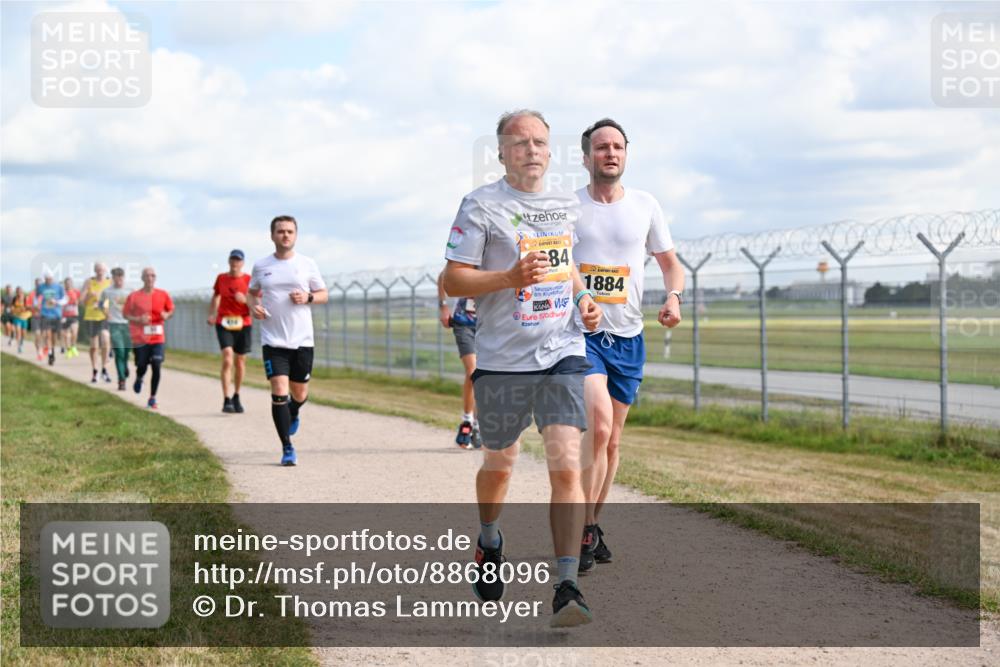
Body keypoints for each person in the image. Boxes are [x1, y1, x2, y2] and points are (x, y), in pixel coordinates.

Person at [442, 109, 603, 628]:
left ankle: (566, 584)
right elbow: (454, 280)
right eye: (521, 142)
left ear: (550, 151)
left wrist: (583, 299)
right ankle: (489, 539)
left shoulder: (564, 205)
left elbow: (569, 265)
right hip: (502, 360)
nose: (532, 149)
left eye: (540, 142)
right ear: (502, 152)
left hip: (561, 351)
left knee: (564, 464)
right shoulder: (481, 205)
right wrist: (508, 276)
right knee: (500, 466)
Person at [573, 118, 684, 573]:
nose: (610, 153)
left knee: (613, 441)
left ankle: (592, 525)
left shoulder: (645, 205)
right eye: (602, 147)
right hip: (582, 334)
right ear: (586, 157)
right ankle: (579, 530)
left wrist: (673, 296)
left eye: (618, 146)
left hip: (629, 335)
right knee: (598, 429)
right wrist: (582, 296)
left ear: (626, 154)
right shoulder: (570, 206)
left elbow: (670, 264)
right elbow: (560, 261)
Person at [248, 216, 327, 466]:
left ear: (296, 235)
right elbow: (251, 294)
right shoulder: (261, 266)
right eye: (280, 231)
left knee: (299, 393)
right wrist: (254, 307)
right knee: (279, 391)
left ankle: (294, 410)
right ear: (272, 235)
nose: (285, 235)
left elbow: (323, 294)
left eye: (290, 231)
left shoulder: (307, 264)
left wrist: (308, 297)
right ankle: (287, 447)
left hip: (302, 340)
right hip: (273, 340)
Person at [437, 269, 480, 449]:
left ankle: (479, 426)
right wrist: (443, 306)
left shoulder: (499, 258)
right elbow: (443, 277)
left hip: (490, 324)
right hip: (463, 322)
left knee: (487, 375)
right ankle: (467, 421)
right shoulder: (468, 258)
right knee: (473, 372)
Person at [124, 267, 174, 409]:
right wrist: (138, 319)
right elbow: (126, 314)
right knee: (141, 365)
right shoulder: (134, 296)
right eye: (147, 275)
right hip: (140, 339)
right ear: (142, 278)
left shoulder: (163, 294)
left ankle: (152, 397)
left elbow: (171, 309)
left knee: (156, 364)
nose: (150, 278)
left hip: (158, 338)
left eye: (153, 275)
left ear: (155, 278)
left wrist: (167, 314)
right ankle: (139, 377)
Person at [209, 249, 252, 414]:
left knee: (240, 361)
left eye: (238, 260)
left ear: (242, 263)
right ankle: (226, 399)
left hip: (244, 322)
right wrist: (212, 313)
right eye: (233, 259)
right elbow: (216, 296)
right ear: (229, 261)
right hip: (224, 322)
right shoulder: (221, 278)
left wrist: (246, 300)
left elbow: (257, 301)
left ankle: (237, 395)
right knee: (228, 358)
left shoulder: (249, 279)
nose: (235, 263)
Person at [100, 268, 132, 390]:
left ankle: (124, 366)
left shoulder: (130, 290)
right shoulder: (107, 291)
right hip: (114, 324)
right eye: (116, 276)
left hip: (128, 324)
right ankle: (121, 380)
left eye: (121, 276)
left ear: (124, 277)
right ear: (112, 278)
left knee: (127, 351)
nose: (119, 279)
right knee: (119, 352)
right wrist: (105, 312)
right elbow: (101, 304)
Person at [80, 262, 112, 383]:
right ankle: (95, 370)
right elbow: (81, 301)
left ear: (105, 271)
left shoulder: (109, 282)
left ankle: (104, 369)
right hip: (92, 316)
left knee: (105, 340)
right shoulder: (89, 282)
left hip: (104, 315)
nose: (100, 272)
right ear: (94, 270)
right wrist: (89, 295)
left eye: (102, 270)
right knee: (94, 346)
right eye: (98, 270)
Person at [34, 273, 66, 366]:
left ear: (53, 278)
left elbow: (64, 300)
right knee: (47, 335)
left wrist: (56, 301)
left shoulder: (59, 287)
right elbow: (36, 297)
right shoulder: (41, 287)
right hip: (45, 314)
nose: (48, 280)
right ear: (44, 279)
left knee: (54, 337)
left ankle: (52, 351)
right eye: (47, 279)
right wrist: (36, 304)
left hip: (56, 314)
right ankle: (50, 354)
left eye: (50, 279)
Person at [61, 277, 81, 357]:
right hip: (64, 315)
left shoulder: (76, 292)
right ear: (65, 284)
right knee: (66, 334)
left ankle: (73, 347)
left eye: (70, 283)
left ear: (72, 284)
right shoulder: (62, 293)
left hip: (74, 315)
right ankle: (68, 350)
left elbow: (80, 300)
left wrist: (77, 302)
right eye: (67, 283)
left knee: (74, 332)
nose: (68, 284)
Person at [10, 286, 31, 353]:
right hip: (17, 317)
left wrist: (25, 309)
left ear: (22, 291)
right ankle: (19, 346)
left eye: (20, 291)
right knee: (18, 331)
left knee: (23, 333)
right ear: (16, 292)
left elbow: (29, 307)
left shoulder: (26, 298)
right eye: (17, 291)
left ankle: (22, 341)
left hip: (24, 318)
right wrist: (13, 310)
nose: (18, 293)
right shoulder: (14, 299)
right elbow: (12, 307)